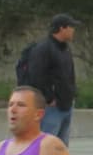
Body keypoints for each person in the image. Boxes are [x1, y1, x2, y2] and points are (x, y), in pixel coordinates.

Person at [26, 13, 78, 144]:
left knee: (60, 148)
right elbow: (36, 76)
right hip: (52, 108)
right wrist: (49, 98)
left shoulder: (65, 49)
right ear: (62, 28)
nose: (74, 30)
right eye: (71, 27)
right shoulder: (43, 49)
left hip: (66, 104)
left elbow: (69, 75)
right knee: (45, 145)